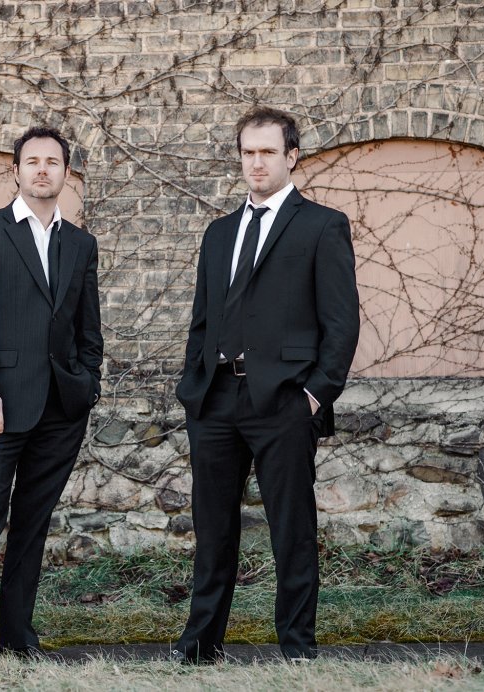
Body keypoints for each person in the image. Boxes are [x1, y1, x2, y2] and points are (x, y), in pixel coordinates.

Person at [173, 106, 360, 663]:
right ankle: (201, 647)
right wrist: (193, 387)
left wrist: (314, 393)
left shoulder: (322, 225)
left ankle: (296, 648)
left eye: (268, 152)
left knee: (292, 531)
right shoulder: (219, 232)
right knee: (213, 532)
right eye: (248, 152)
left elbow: (342, 322)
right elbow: (202, 321)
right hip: (215, 401)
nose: (256, 162)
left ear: (291, 156)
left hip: (284, 401)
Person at [0, 126, 104, 660]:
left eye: (52, 162)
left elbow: (90, 329)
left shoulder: (81, 244)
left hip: (61, 409)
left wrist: (88, 384)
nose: (42, 169)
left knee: (33, 524)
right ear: (15, 171)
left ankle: (16, 634)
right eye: (32, 161)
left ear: (65, 173)